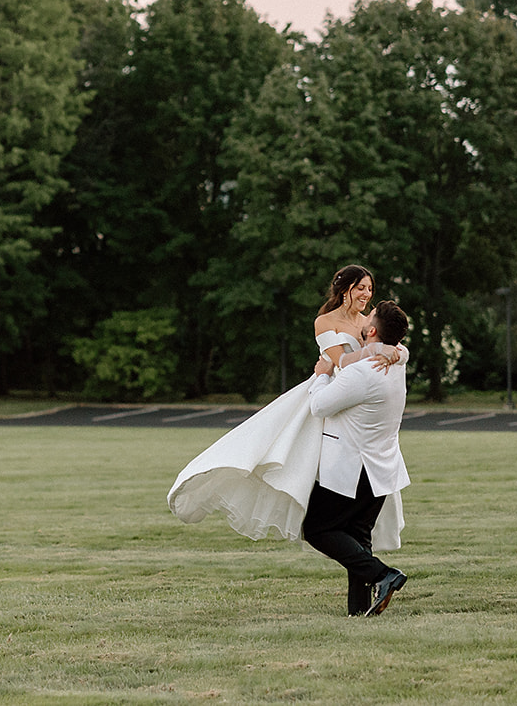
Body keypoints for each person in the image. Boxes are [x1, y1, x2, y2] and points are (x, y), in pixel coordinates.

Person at [167, 264, 404, 544]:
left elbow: (396, 343)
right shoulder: (325, 322)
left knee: (357, 494)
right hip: (327, 388)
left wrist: (397, 353)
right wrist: (379, 350)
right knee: (289, 453)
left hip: (357, 401)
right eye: (361, 288)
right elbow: (340, 362)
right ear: (344, 290)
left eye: (370, 289)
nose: (367, 294)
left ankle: (360, 556)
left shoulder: (368, 321)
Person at [304, 299, 412, 616]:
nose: (364, 319)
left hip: (353, 468)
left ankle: (384, 575)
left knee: (317, 529)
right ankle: (358, 609)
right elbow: (401, 351)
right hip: (382, 468)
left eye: (370, 317)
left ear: (373, 330)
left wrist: (323, 374)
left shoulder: (361, 373)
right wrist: (394, 349)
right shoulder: (396, 363)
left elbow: (320, 406)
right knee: (357, 535)